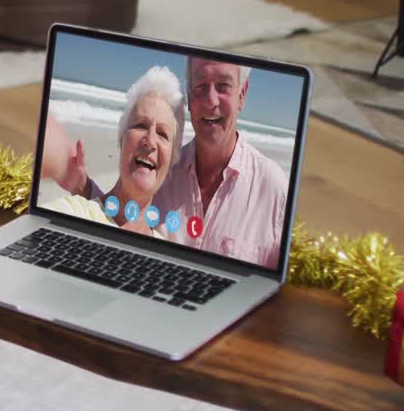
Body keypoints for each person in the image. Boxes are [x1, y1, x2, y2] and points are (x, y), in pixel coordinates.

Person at [151, 58, 288, 268]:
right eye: (200, 86)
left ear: (242, 93)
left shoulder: (274, 187)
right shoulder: (161, 173)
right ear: (189, 95)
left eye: (223, 86)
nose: (210, 101)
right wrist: (85, 188)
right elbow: (121, 218)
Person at [41, 66, 186, 237]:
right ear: (122, 139)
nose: (151, 141)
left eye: (162, 134)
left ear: (171, 161)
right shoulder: (75, 213)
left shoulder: (165, 250)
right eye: (140, 125)